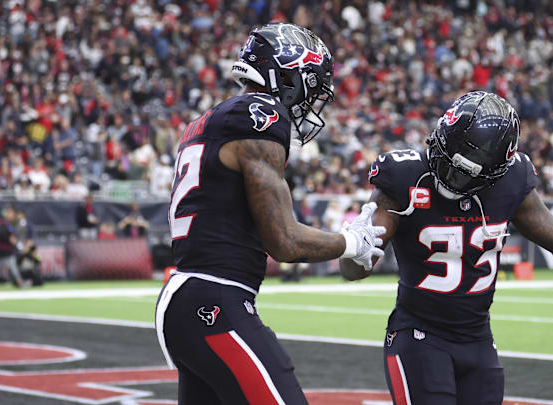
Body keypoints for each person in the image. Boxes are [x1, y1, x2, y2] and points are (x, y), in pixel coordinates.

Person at [154, 23, 384, 405]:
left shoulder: (212, 119)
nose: (311, 102)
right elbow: (285, 241)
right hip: (214, 300)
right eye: (311, 87)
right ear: (289, 75)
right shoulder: (261, 114)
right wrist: (351, 242)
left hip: (191, 297)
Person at [340, 91, 553, 405]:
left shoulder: (512, 179)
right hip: (418, 336)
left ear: (494, 172)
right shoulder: (404, 176)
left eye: (461, 170)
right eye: (443, 151)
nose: (444, 169)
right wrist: (354, 249)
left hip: (479, 340)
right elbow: (353, 272)